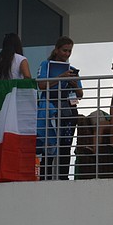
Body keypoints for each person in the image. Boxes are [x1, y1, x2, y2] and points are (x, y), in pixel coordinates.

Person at [37, 36, 83, 180]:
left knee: (65, 146)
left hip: (68, 111)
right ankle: (45, 177)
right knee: (48, 144)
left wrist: (74, 83)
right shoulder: (46, 64)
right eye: (64, 50)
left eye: (69, 51)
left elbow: (80, 94)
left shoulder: (72, 70)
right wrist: (61, 77)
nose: (67, 54)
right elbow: (41, 85)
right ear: (56, 50)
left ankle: (63, 178)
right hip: (50, 109)